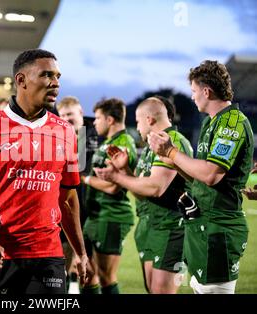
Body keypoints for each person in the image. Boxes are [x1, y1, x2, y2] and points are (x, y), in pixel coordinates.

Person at [0, 48, 88, 294]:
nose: (55, 83)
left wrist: (80, 253)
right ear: (21, 80)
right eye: (47, 75)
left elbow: (68, 200)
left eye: (58, 76)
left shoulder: (66, 132)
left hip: (49, 256)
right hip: (1, 255)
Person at [148, 60, 254, 294]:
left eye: (194, 91)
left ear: (206, 91)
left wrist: (172, 151)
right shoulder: (212, 122)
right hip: (202, 226)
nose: (193, 97)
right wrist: (171, 160)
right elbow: (199, 175)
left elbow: (211, 175)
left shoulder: (232, 122)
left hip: (219, 230)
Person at [95, 97, 193, 294]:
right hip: (150, 226)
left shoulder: (173, 141)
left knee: (161, 291)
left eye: (138, 121)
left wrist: (116, 177)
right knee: (151, 288)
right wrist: (124, 172)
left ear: (149, 119)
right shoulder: (151, 148)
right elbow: (141, 191)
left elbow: (156, 187)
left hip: (172, 227)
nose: (137, 126)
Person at [80, 98, 137, 294]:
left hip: (112, 216)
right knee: (88, 274)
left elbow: (115, 186)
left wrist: (84, 180)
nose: (94, 122)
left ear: (110, 119)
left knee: (106, 276)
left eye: (97, 118)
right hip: (97, 216)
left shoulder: (122, 143)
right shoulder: (109, 143)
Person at [56, 96, 100, 292]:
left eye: (70, 114)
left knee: (91, 270)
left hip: (93, 211)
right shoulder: (58, 137)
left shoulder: (97, 134)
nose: (66, 118)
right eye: (63, 115)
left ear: (80, 112)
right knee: (62, 266)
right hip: (65, 207)